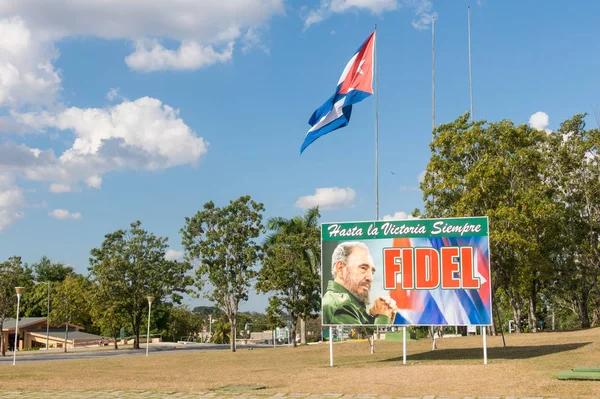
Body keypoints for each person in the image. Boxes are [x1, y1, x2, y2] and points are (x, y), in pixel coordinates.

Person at [322, 241, 397, 325]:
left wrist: (381, 316)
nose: (370, 278)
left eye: (372, 272)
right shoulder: (342, 306)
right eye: (363, 268)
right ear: (340, 268)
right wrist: (382, 318)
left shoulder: (351, 305)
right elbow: (363, 338)